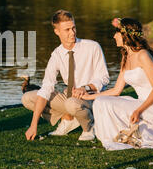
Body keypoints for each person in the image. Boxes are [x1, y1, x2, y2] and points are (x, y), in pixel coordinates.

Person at [82, 17, 153, 150]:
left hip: (152, 106)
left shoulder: (143, 55)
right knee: (101, 102)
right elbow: (116, 90)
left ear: (125, 35)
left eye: (116, 33)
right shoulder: (126, 56)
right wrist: (88, 96)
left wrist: (138, 110)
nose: (113, 36)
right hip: (140, 102)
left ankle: (131, 135)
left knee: (104, 102)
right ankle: (114, 137)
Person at [24, 10, 110, 141]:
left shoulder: (92, 47)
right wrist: (33, 125)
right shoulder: (57, 54)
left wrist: (85, 88)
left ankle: (89, 127)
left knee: (71, 103)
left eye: (74, 28)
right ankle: (67, 118)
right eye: (67, 29)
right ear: (57, 32)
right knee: (28, 98)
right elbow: (46, 88)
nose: (72, 33)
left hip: (91, 96)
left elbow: (104, 78)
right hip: (70, 97)